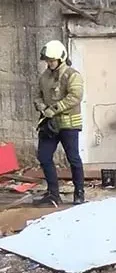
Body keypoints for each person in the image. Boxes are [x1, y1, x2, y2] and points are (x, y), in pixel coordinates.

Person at [34, 40, 85, 207]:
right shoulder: (45, 77)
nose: (49, 63)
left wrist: (54, 109)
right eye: (47, 61)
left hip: (68, 124)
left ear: (60, 58)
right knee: (44, 156)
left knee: (73, 158)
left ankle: (79, 192)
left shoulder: (72, 75)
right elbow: (38, 95)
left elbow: (75, 96)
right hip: (49, 124)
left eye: (52, 60)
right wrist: (41, 106)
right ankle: (53, 194)